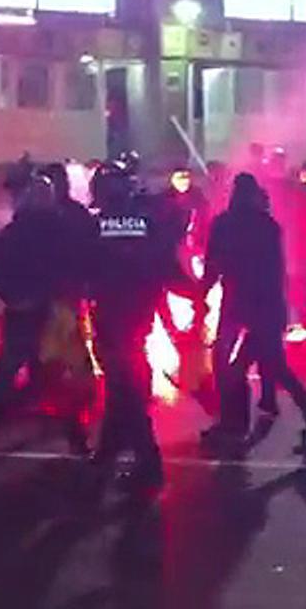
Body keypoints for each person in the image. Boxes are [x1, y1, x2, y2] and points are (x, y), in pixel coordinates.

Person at [201, 173, 306, 450]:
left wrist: (201, 296)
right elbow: (278, 270)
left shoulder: (223, 224)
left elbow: (213, 266)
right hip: (266, 305)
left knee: (228, 365)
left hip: (237, 304)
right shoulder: (269, 226)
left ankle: (234, 422)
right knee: (274, 366)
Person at [85, 161, 186, 493]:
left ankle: (148, 463)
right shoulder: (145, 221)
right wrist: (191, 292)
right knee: (122, 390)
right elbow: (165, 264)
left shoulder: (96, 224)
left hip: (112, 317)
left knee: (125, 391)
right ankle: (109, 452)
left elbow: (83, 268)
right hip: (138, 316)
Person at [0, 174, 91, 454]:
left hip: (45, 312)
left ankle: (72, 434)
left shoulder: (34, 231)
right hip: (36, 311)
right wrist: (17, 298)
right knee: (29, 373)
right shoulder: (39, 231)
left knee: (44, 374)